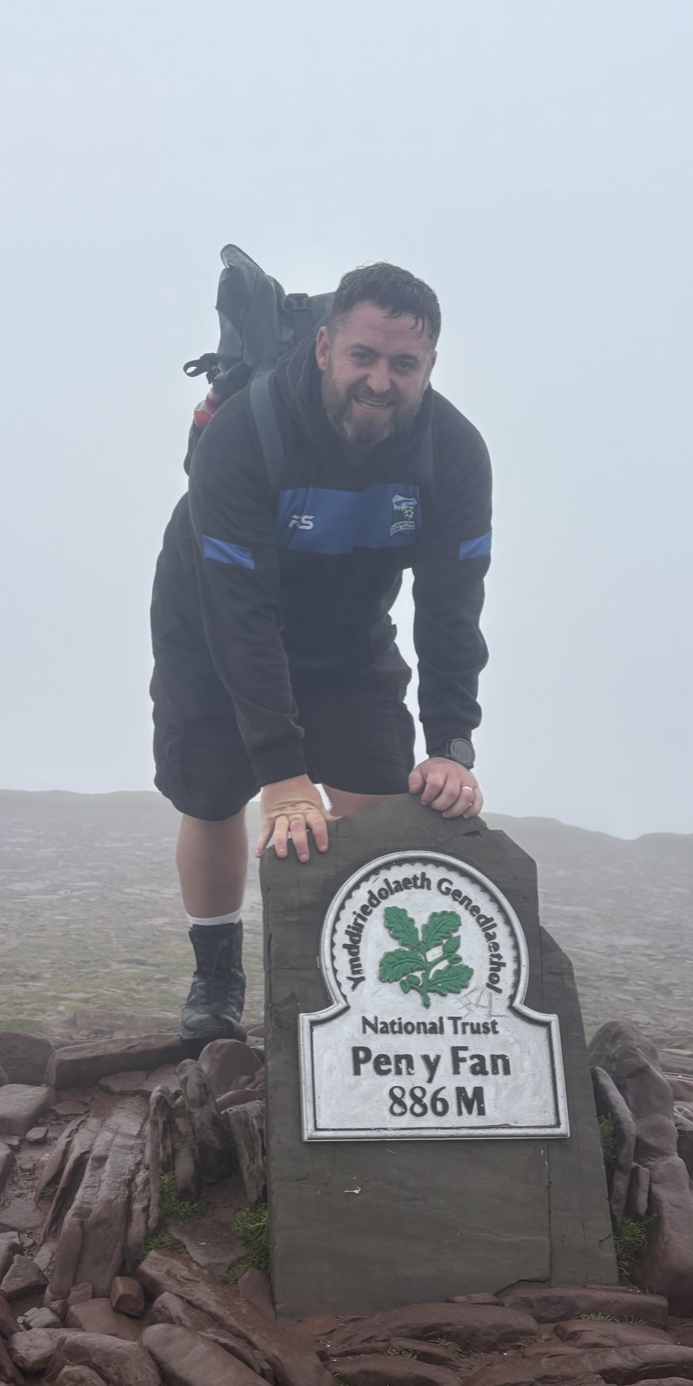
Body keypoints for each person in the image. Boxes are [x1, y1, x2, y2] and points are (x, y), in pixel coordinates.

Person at [150, 262, 492, 1041]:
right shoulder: (246, 435)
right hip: (209, 620)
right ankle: (216, 974)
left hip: (346, 632)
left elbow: (450, 606)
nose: (380, 381)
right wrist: (280, 771)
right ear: (323, 348)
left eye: (403, 364)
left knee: (381, 802)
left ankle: (366, 981)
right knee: (211, 790)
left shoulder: (454, 455)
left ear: (429, 367)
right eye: (363, 357)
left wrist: (450, 745)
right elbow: (240, 612)